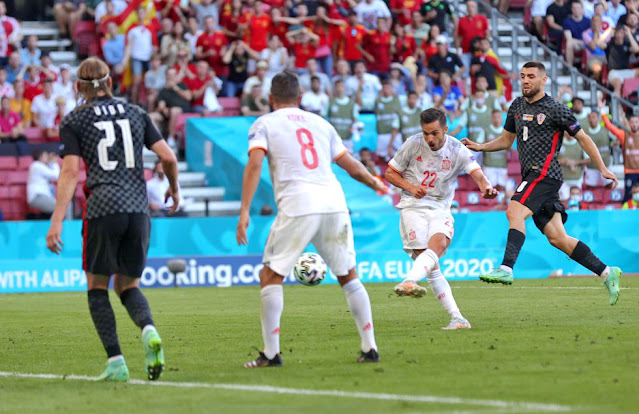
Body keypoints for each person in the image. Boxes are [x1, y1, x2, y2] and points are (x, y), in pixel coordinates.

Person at [236, 71, 387, 368]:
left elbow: (255, 165)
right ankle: (370, 348)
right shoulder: (321, 124)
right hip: (334, 202)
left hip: (298, 204)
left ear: (270, 99)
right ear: (301, 97)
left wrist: (244, 212)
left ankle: (270, 354)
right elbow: (351, 166)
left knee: (270, 276)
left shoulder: (264, 123)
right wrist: (375, 183)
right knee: (348, 275)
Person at [45, 57, 179, 382]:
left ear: (78, 87)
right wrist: (174, 190)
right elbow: (168, 156)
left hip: (103, 209)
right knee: (128, 285)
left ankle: (116, 362)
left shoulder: (75, 120)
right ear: (110, 83)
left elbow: (71, 172)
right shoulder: (136, 113)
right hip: (138, 209)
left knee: (97, 286)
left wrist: (57, 220)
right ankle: (148, 329)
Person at [462, 61, 622, 306]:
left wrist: (602, 168)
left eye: (531, 76)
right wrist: (481, 146)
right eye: (523, 76)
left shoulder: (556, 109)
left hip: (545, 175)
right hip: (532, 176)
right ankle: (608, 273)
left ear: (543, 80)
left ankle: (506, 267)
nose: (525, 80)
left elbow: (583, 138)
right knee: (558, 238)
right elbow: (506, 140)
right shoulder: (516, 105)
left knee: (513, 210)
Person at [386, 108, 497, 329]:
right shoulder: (412, 144)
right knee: (431, 265)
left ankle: (409, 281)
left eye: (435, 133)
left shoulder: (457, 149)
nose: (430, 138)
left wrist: (486, 187)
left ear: (446, 129)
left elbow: (477, 173)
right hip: (413, 206)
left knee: (438, 245)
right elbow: (390, 173)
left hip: (440, 206)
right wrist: (410, 187)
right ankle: (457, 317)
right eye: (426, 133)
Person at [601, 109, 639, 203]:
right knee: (628, 195)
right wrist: (603, 112)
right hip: (630, 171)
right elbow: (609, 126)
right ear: (628, 123)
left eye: (636, 122)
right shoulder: (624, 135)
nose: (634, 124)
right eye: (632, 122)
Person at [583, 108, 614, 188]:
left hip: (605, 163)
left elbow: (615, 141)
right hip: (591, 165)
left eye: (594, 117)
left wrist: (612, 145)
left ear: (598, 118)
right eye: (589, 117)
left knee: (609, 186)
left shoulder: (606, 131)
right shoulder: (584, 132)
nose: (591, 119)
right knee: (590, 187)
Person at [328, 79, 359, 154]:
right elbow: (323, 117)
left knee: (349, 158)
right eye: (337, 86)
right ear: (334, 88)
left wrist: (354, 128)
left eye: (341, 86)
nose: (339, 88)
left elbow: (355, 120)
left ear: (345, 88)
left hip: (347, 138)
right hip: (334, 138)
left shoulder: (352, 103)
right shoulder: (330, 102)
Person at [375, 79, 402, 159]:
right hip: (382, 133)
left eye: (388, 88)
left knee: (399, 157)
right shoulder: (378, 101)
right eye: (384, 88)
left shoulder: (396, 100)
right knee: (382, 157)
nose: (386, 90)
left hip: (396, 133)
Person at [558, 132, 589, 201]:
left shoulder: (580, 143)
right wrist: (561, 161)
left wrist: (575, 162)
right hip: (563, 179)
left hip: (577, 179)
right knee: (563, 200)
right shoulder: (559, 143)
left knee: (576, 200)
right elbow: (551, 159)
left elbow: (588, 160)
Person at [482, 110, 508, 191]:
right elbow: (478, 145)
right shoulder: (485, 131)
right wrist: (487, 141)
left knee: (502, 188)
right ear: (491, 119)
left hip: (502, 165)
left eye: (498, 117)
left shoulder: (506, 132)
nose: (496, 119)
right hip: (489, 165)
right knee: (490, 189)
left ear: (502, 119)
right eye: (494, 117)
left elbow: (511, 149)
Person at [27, 149, 60, 215]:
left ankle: (56, 224)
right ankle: (58, 224)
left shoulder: (40, 166)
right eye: (45, 156)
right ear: (40, 157)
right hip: (38, 196)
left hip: (42, 196)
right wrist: (54, 162)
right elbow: (56, 175)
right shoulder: (37, 165)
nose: (47, 158)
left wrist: (51, 162)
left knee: (62, 207)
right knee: (61, 207)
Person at [563, 1, 591, 66]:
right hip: (576, 44)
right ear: (571, 9)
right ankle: (570, 67)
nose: (576, 10)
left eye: (578, 8)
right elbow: (569, 39)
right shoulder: (567, 21)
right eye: (574, 8)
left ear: (582, 9)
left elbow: (590, 36)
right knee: (569, 43)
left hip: (588, 43)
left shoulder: (588, 21)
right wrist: (582, 42)